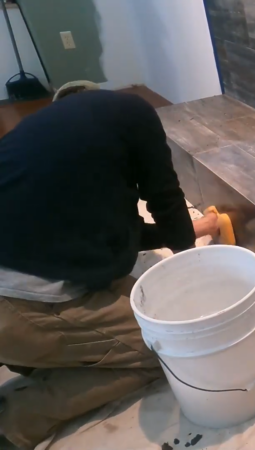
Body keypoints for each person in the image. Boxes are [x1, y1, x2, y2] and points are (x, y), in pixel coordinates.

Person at [0, 81, 221, 449]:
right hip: (17, 306)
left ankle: (46, 356)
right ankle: (17, 420)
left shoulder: (40, 139)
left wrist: (195, 228)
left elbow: (122, 231)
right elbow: (166, 200)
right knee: (168, 350)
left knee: (130, 298)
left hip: (16, 278)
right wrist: (194, 274)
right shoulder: (134, 112)